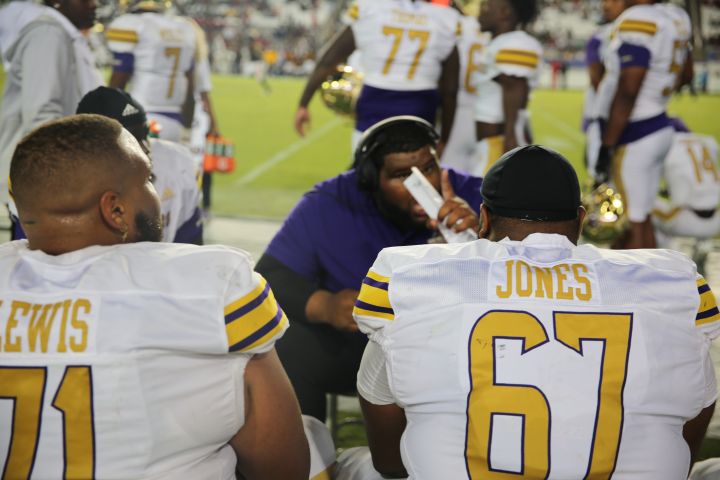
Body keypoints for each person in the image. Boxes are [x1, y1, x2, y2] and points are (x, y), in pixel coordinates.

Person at [349, 144, 717, 479]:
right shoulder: (672, 285)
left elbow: (389, 460)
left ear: (485, 218)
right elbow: (686, 441)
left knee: (355, 463)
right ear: (579, 220)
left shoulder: (408, 278)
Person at [0, 114, 309, 479]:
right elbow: (283, 469)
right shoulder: (216, 286)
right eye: (147, 178)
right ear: (115, 210)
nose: (155, 192)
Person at [254, 116, 483, 421]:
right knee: (286, 343)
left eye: (429, 168)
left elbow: (532, 271)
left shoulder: (473, 196)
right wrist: (325, 305)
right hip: (358, 350)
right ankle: (309, 454)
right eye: (402, 175)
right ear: (369, 179)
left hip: (452, 349)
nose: (423, 186)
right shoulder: (329, 203)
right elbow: (271, 274)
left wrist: (481, 236)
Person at [293, 0, 461, 153]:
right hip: (420, 107)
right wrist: (444, 138)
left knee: (366, 173)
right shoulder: (444, 18)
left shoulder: (371, 8)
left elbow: (328, 61)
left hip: (375, 103)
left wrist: (303, 103)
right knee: (413, 177)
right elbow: (450, 91)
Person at [593, 0, 692, 249]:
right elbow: (687, 74)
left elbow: (629, 88)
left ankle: (636, 286)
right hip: (658, 121)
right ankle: (653, 278)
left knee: (629, 221)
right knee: (642, 215)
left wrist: (607, 144)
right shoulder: (674, 17)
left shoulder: (639, 18)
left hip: (636, 131)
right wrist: (658, 93)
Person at [0, 0, 102, 211]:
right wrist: (57, 178)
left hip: (46, 173)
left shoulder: (62, 35)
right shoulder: (48, 34)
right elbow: (41, 114)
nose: (94, 4)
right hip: (43, 178)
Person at [76, 86, 203, 244]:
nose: (145, 148)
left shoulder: (179, 166)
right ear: (94, 149)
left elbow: (190, 250)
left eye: (145, 135)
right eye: (131, 140)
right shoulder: (67, 191)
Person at [106, 0, 197, 143]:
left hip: (141, 118)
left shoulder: (134, 25)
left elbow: (119, 81)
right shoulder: (183, 29)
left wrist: (105, 120)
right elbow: (190, 87)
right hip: (175, 122)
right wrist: (187, 128)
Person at [471, 0, 542, 176]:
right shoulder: (499, 42)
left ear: (505, 12)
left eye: (487, 6)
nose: (481, 10)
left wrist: (511, 137)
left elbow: (514, 87)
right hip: (491, 142)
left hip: (499, 142)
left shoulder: (516, 43)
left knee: (484, 199)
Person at [652, 118, 720, 251]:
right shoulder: (708, 141)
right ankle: (702, 249)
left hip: (685, 220)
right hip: (716, 220)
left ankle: (663, 252)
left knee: (641, 209)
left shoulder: (666, 145)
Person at [441, 4, 490, 173]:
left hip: (457, 111)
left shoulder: (453, 24)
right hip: (488, 116)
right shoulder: (493, 27)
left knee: (450, 178)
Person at [583, 0, 625, 175]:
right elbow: (597, 81)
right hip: (613, 116)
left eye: (614, 0)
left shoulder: (604, 36)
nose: (606, 6)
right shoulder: (599, 36)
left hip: (612, 117)